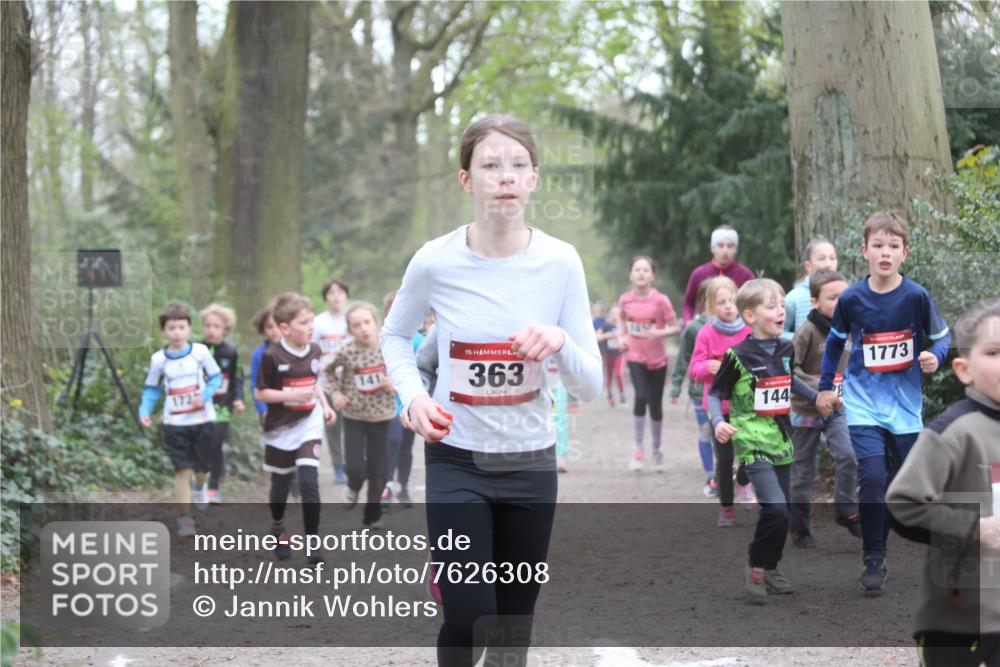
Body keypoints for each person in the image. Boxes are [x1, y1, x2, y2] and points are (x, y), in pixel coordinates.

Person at [381, 114, 601, 667]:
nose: (505, 175)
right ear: (466, 180)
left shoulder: (560, 262)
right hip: (458, 459)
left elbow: (590, 384)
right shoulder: (435, 260)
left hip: (529, 462)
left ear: (533, 179)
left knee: (511, 621)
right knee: (470, 613)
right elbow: (395, 335)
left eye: (518, 165)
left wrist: (557, 341)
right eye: (490, 165)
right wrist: (413, 396)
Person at [816, 210, 952, 592]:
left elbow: (942, 337)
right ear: (865, 250)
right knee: (872, 479)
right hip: (862, 405)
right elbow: (834, 342)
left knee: (901, 488)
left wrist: (935, 357)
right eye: (878, 245)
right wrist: (827, 386)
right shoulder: (852, 298)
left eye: (893, 246)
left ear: (905, 253)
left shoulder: (916, 296)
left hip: (906, 410)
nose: (885, 252)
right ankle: (874, 557)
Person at [887, 297, 1000, 667]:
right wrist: (974, 527)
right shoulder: (952, 432)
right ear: (964, 369)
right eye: (995, 352)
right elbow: (903, 505)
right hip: (957, 616)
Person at [708, 278, 831, 604]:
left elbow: (789, 382)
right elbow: (716, 392)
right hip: (750, 440)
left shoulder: (786, 349)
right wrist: (719, 421)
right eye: (772, 306)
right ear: (750, 316)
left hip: (781, 438)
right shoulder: (736, 355)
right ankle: (755, 567)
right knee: (775, 508)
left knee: (784, 512)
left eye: (782, 305)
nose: (781, 311)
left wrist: (818, 397)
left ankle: (772, 568)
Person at [254, 292, 335, 564]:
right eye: (304, 322)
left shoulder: (314, 349)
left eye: (312, 321)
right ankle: (278, 526)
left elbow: (315, 383)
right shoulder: (271, 355)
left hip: (309, 423)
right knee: (280, 484)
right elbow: (260, 393)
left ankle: (312, 542)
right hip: (280, 428)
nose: (311, 327)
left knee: (309, 482)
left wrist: (325, 405)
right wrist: (288, 397)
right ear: (285, 328)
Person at [788, 269, 860, 548]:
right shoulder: (806, 332)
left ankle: (846, 509)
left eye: (846, 296)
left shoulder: (852, 329)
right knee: (803, 472)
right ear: (815, 302)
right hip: (805, 410)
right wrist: (819, 385)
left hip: (838, 409)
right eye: (833, 298)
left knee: (849, 455)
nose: (841, 302)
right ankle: (799, 528)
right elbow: (788, 371)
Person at [139, 301, 222, 537]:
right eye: (171, 328)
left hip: (202, 419)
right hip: (174, 424)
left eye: (181, 327)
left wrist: (204, 396)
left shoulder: (200, 353)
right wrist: (144, 410)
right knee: (181, 469)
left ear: (189, 328)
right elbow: (151, 389)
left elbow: (215, 378)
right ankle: (185, 518)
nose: (177, 333)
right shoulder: (159, 360)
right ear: (164, 330)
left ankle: (201, 485)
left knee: (202, 469)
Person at [689, 276, 754, 524]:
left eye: (732, 300)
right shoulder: (706, 333)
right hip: (718, 408)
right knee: (725, 459)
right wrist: (709, 366)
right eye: (721, 302)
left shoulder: (749, 330)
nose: (728, 306)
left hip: (747, 406)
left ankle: (744, 481)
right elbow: (694, 368)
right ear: (711, 306)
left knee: (751, 452)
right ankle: (726, 508)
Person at [326, 301, 397, 529]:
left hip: (383, 417)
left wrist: (394, 383)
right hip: (355, 417)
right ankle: (354, 485)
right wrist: (336, 393)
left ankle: (372, 514)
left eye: (367, 322)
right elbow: (326, 371)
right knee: (354, 467)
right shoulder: (346, 351)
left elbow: (407, 372)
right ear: (349, 330)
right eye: (357, 325)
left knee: (380, 469)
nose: (363, 328)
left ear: (376, 323)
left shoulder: (389, 347)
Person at [617, 255, 680, 472]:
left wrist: (657, 332)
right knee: (641, 397)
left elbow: (675, 327)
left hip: (658, 359)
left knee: (655, 405)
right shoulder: (625, 300)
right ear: (631, 274)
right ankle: (637, 448)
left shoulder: (661, 300)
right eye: (637, 270)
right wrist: (621, 337)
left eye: (646, 270)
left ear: (653, 275)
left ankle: (656, 449)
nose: (641, 273)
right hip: (635, 355)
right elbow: (622, 320)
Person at [383, 292, 431, 507]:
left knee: (405, 447)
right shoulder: (383, 340)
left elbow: (425, 369)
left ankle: (403, 486)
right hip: (385, 406)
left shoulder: (422, 340)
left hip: (409, 404)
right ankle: (386, 487)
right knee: (391, 443)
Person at [670, 281, 714, 495]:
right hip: (699, 392)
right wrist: (676, 386)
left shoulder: (737, 328)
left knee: (726, 434)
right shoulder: (693, 329)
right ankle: (710, 477)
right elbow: (682, 359)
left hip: (729, 394)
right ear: (702, 301)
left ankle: (728, 471)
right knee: (707, 431)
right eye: (714, 298)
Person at [199, 303, 245, 504]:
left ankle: (214, 486)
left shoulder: (231, 352)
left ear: (225, 329)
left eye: (216, 326)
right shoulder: (196, 350)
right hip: (200, 405)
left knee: (216, 442)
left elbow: (237, 378)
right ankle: (200, 480)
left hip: (222, 406)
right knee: (202, 443)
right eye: (208, 326)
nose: (211, 330)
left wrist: (238, 398)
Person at [314, 279, 352, 485]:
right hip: (327, 382)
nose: (336, 296)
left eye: (340, 292)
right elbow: (312, 352)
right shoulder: (318, 322)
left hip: (351, 382)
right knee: (333, 425)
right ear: (326, 298)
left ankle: (355, 462)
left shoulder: (352, 320)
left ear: (346, 295)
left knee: (354, 425)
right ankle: (338, 466)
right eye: (331, 293)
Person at [682, 224, 755, 323]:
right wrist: (688, 321)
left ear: (735, 250)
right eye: (720, 245)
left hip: (735, 328)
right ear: (713, 248)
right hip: (705, 326)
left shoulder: (746, 275)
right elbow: (688, 303)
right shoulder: (698, 274)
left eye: (730, 246)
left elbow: (754, 303)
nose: (725, 250)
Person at [783, 238, 839, 338]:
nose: (828, 264)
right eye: (822, 259)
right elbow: (778, 333)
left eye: (832, 258)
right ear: (808, 266)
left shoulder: (847, 295)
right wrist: (803, 340)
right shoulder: (794, 298)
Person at [249, 305, 281, 426]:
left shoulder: (294, 350)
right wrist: (262, 409)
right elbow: (254, 384)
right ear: (262, 330)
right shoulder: (259, 354)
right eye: (269, 327)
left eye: (278, 325)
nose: (275, 330)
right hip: (269, 408)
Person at [596, 305, 626, 405]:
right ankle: (609, 394)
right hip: (608, 354)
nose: (614, 315)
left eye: (616, 313)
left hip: (619, 354)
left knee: (618, 373)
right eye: (612, 313)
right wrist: (606, 336)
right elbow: (597, 337)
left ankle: (621, 393)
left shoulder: (623, 326)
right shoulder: (606, 326)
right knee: (609, 375)